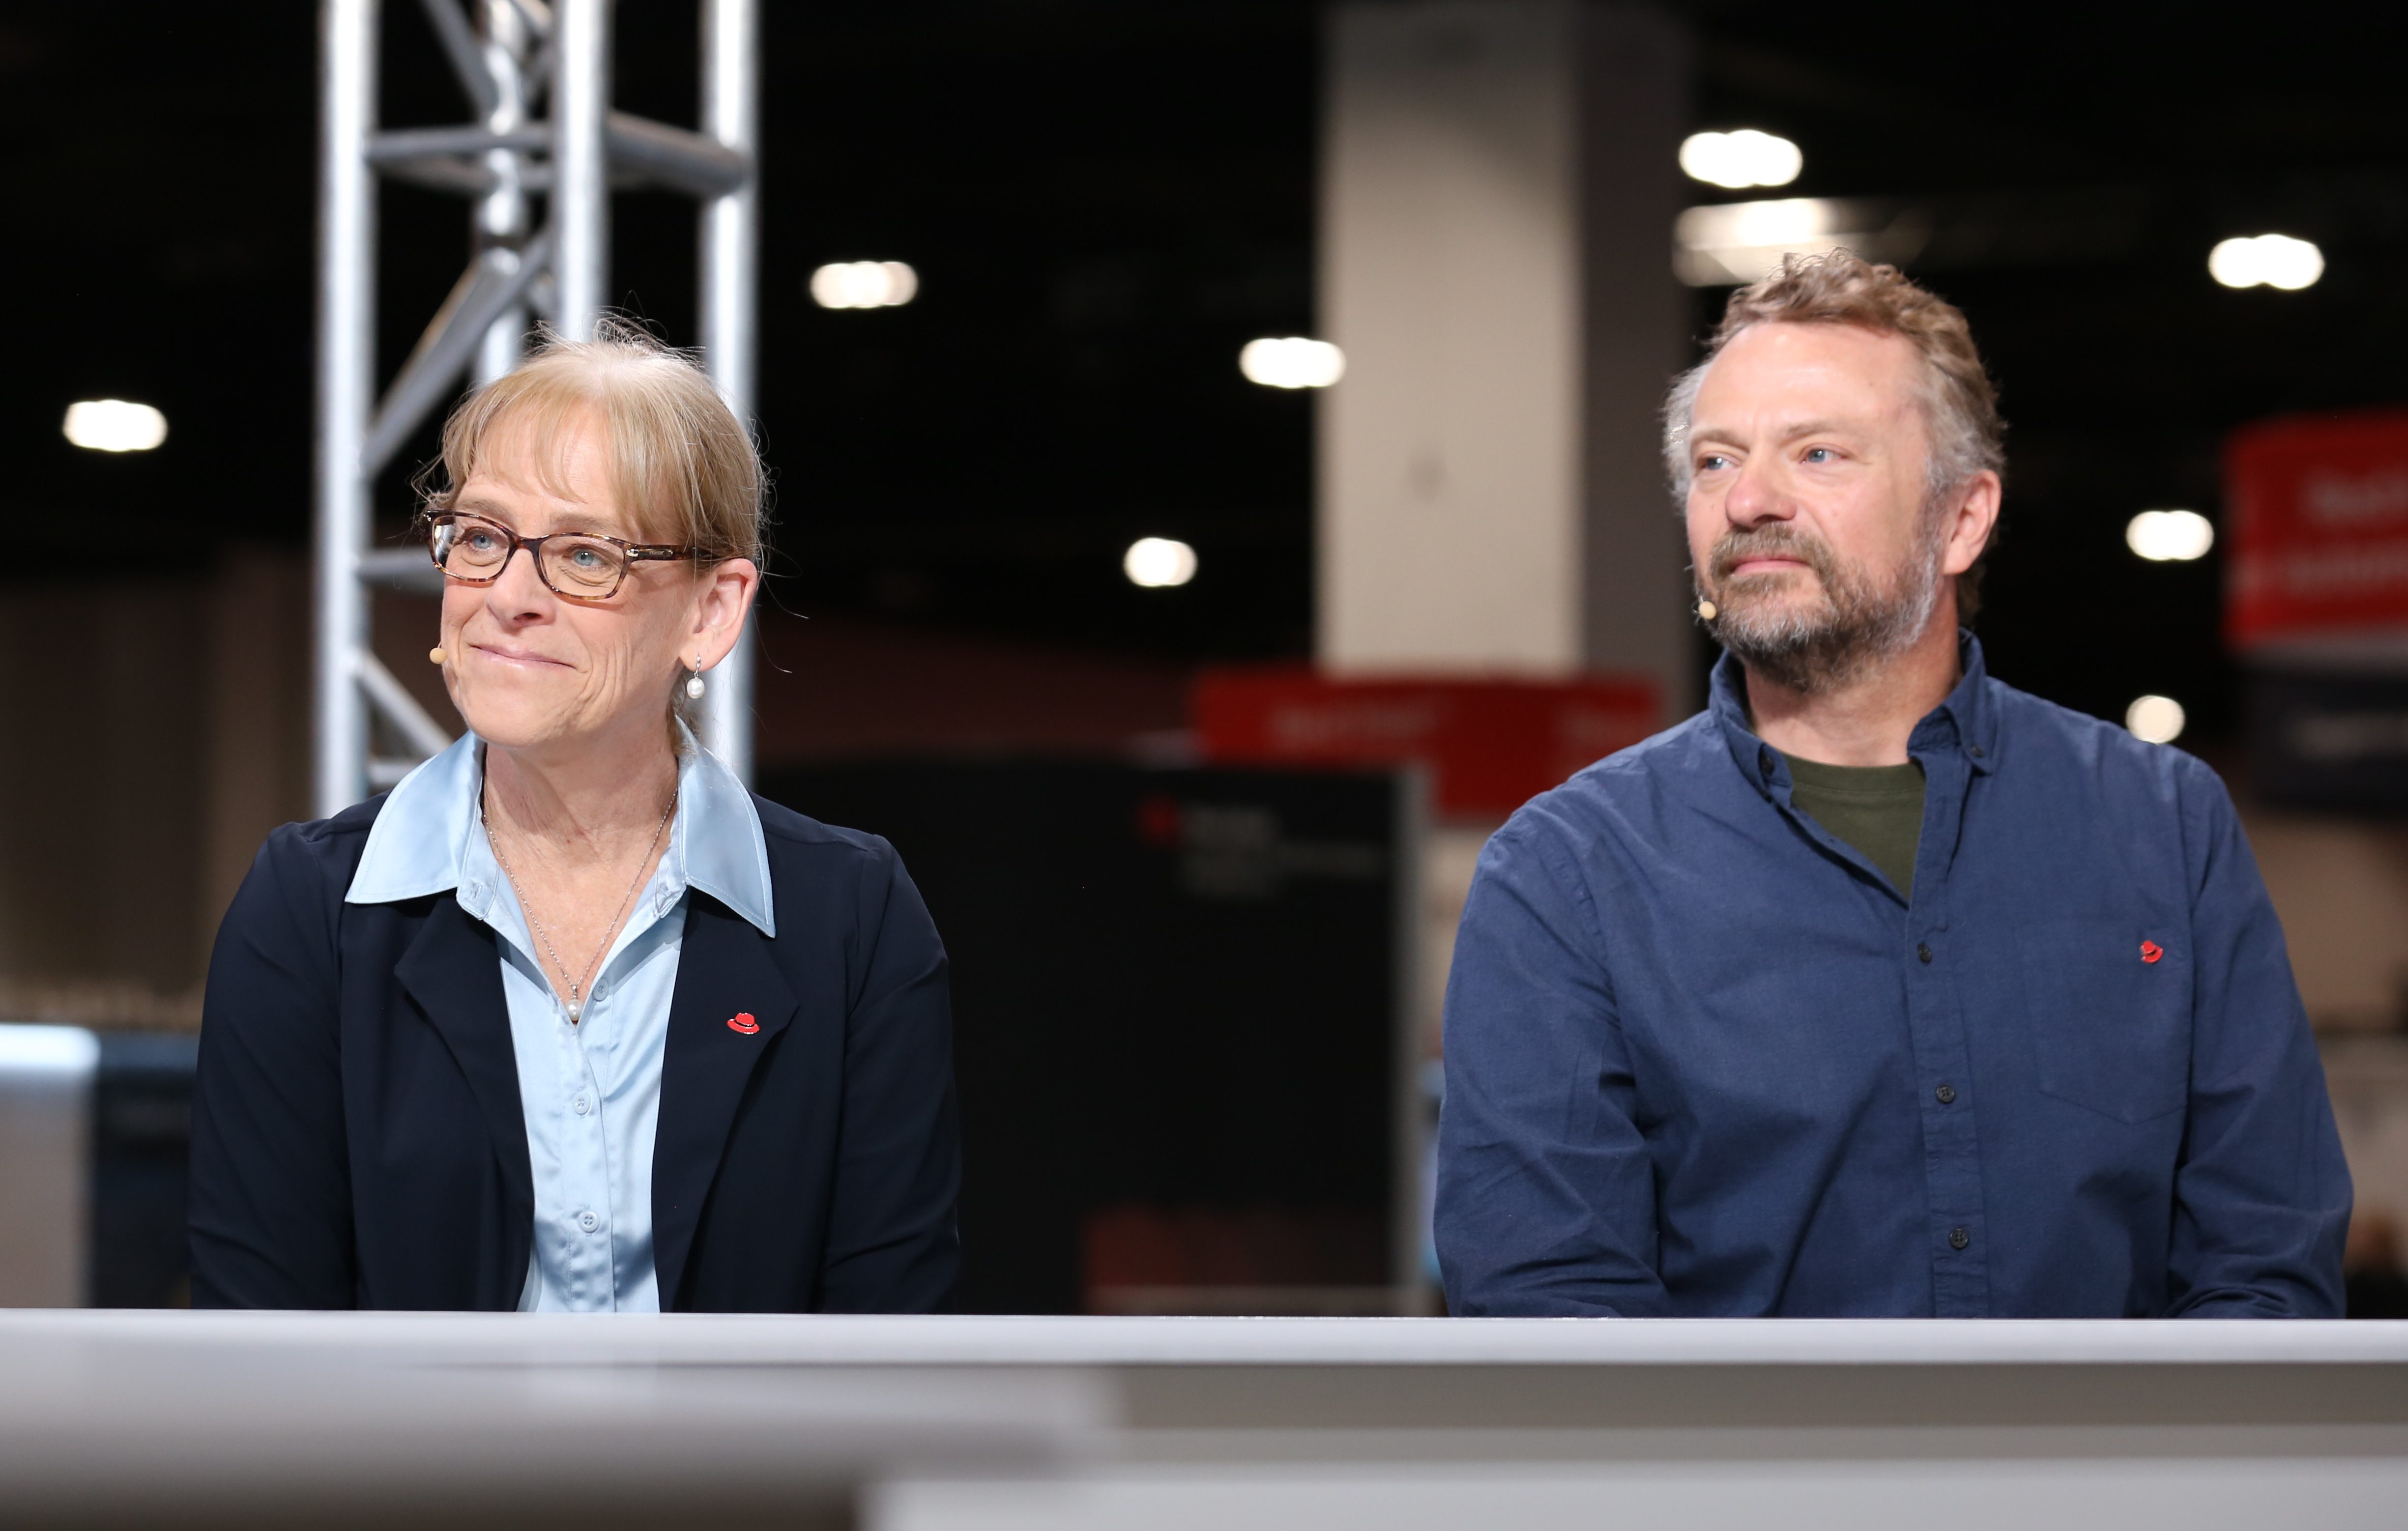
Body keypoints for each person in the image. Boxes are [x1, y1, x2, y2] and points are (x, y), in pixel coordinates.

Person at [1435, 251, 2349, 1318]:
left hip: (2111, 1486)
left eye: (1818, 452)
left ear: (1963, 517)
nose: (1750, 501)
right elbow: (1550, 1312)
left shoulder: (2163, 826)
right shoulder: (1565, 873)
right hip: (1733, 1488)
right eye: (1717, 461)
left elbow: (2266, 1267)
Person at [191, 323, 959, 1311]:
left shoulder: (849, 915)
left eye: (585, 556)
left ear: (711, 612)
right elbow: (261, 1342)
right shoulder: (313, 910)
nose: (509, 596)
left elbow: (890, 1336)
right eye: (480, 537)